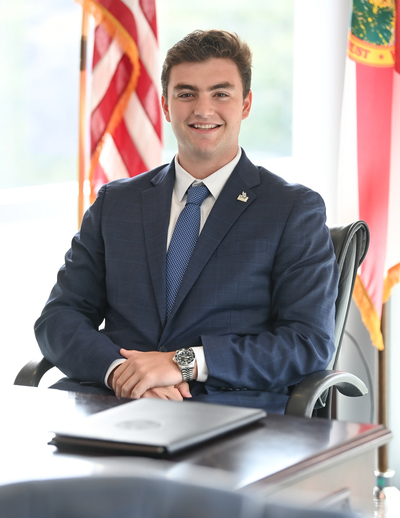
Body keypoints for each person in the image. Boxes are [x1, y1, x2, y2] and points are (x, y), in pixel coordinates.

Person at [35, 29, 339, 413]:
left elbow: (306, 343)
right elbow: (59, 317)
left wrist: (180, 363)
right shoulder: (116, 202)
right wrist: (120, 372)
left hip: (228, 416)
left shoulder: (293, 209)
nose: (203, 109)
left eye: (221, 93)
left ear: (245, 104)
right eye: (186, 94)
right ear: (165, 105)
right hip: (112, 402)